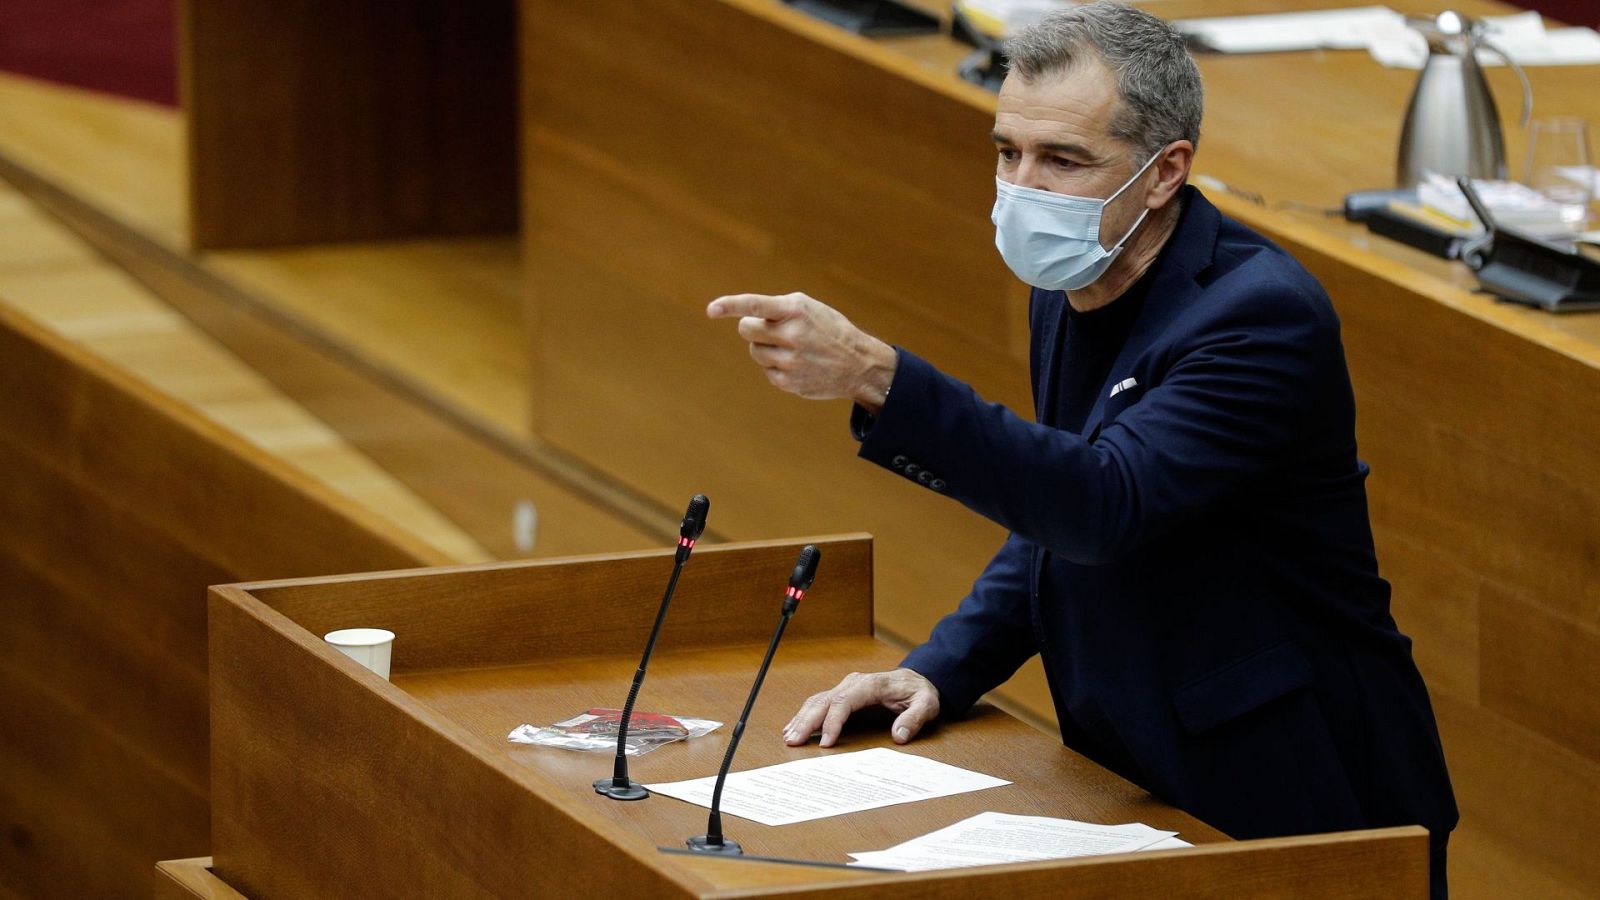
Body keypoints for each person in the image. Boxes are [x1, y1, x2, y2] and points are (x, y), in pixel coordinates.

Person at [706, 2, 1457, 896]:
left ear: (1163, 171)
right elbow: (1051, 512)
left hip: (1298, 785)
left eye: (1062, 160)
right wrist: (942, 667)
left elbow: (1104, 503)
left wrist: (880, 376)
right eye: (1006, 152)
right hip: (1133, 761)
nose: (1023, 186)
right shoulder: (1075, 280)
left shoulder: (1260, 318)